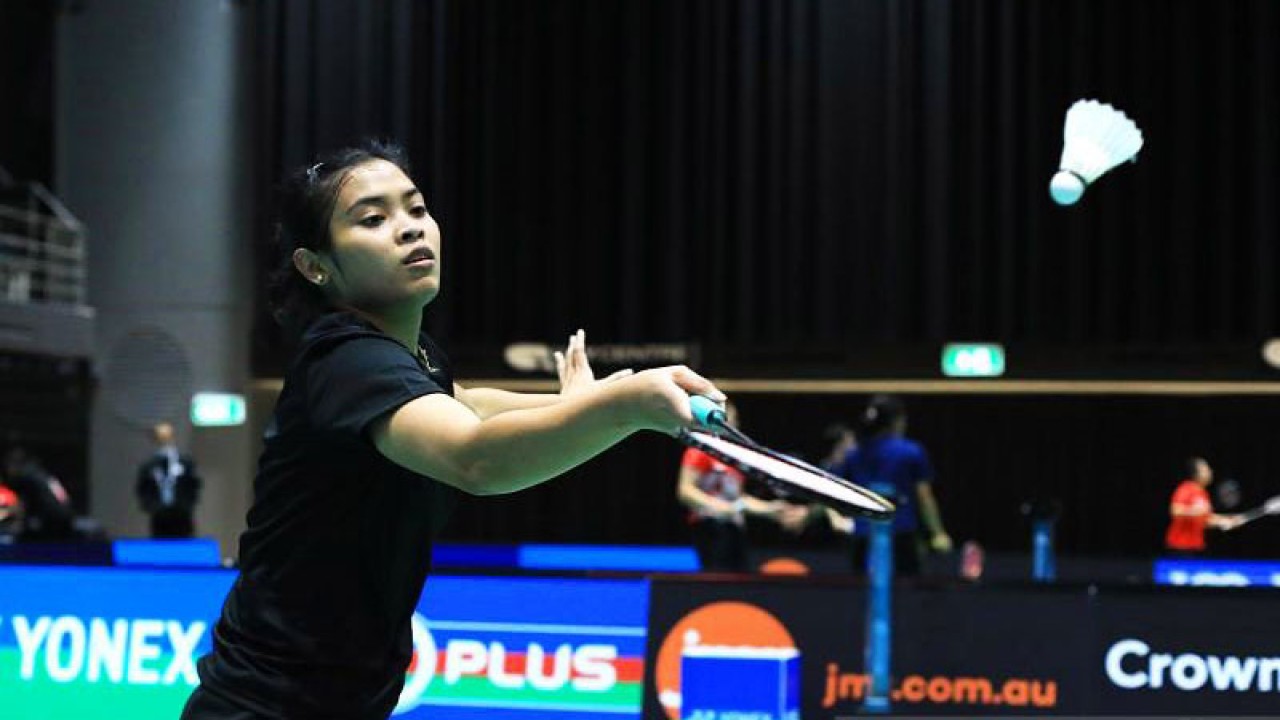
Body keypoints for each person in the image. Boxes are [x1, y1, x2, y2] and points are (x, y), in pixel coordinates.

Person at [181, 140, 726, 720]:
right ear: (316, 266)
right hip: (264, 707)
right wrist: (624, 407)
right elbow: (477, 461)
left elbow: (465, 404)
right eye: (373, 218)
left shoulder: (412, 356)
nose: (409, 229)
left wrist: (573, 401)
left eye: (416, 209)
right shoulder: (346, 360)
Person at [675, 401, 807, 571]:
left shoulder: (734, 459)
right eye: (727, 420)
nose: (733, 426)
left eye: (735, 421)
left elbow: (739, 501)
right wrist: (721, 507)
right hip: (710, 528)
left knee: (740, 582)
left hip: (734, 529)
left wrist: (770, 510)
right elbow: (685, 491)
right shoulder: (700, 451)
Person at [829, 394, 951, 576]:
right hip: (900, 538)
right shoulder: (911, 451)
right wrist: (938, 533)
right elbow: (924, 496)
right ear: (897, 420)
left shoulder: (853, 454)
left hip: (863, 538)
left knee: (861, 596)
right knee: (905, 596)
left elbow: (834, 490)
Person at [135, 421, 202, 538]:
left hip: (182, 517)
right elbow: (143, 489)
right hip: (159, 517)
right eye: (160, 438)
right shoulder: (149, 466)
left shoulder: (185, 463)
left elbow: (193, 486)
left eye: (166, 437)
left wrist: (186, 506)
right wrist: (152, 507)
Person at [1164, 456, 1243, 556]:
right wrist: (1195, 511)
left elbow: (1205, 520)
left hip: (1196, 548)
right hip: (1179, 548)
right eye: (1206, 469)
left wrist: (1227, 520)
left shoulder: (1203, 493)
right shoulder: (1185, 488)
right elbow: (1175, 511)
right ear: (1197, 474)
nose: (1210, 472)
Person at [3, 446, 74, 541]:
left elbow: (24, 507)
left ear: (15, 464)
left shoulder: (26, 477)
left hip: (52, 522)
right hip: (65, 519)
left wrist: (18, 523)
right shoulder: (40, 473)